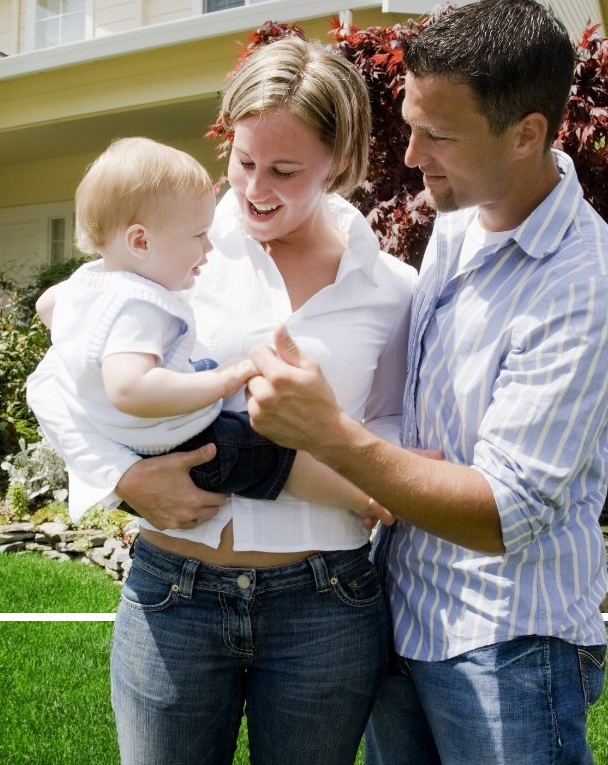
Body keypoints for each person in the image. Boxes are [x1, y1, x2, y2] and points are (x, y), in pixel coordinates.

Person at [244, 0, 608, 765]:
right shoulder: (461, 222)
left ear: (527, 134)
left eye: (439, 135)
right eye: (410, 121)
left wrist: (327, 433)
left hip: (510, 645)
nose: (411, 155)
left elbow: (507, 511)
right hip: (407, 619)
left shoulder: (590, 289)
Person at [26, 38, 416, 765]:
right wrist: (123, 479)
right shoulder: (176, 242)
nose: (254, 189)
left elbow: (395, 426)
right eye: (243, 162)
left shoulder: (391, 288)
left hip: (326, 605)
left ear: (339, 161)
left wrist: (369, 479)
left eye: (285, 171)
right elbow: (61, 378)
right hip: (176, 591)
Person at [33, 135, 382, 517]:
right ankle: (365, 498)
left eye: (283, 170)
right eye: (199, 236)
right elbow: (130, 389)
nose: (209, 247)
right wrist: (223, 381)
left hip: (133, 441)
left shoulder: (87, 284)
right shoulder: (139, 306)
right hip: (176, 445)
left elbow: (47, 306)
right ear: (140, 241)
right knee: (270, 454)